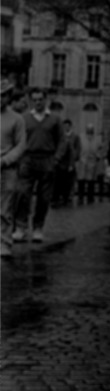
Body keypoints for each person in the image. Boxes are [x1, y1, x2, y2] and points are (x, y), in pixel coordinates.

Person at [13, 87, 65, 243]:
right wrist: (19, 159)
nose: (37, 102)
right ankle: (21, 227)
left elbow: (62, 141)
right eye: (34, 99)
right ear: (31, 101)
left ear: (46, 99)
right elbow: (18, 140)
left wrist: (56, 159)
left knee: (44, 197)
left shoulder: (55, 119)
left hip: (47, 159)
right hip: (28, 159)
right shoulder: (24, 118)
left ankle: (38, 227)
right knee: (23, 194)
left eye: (40, 99)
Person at [1, 78, 27, 257]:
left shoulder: (17, 119)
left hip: (7, 169)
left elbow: (21, 145)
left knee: (5, 208)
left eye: (3, 96)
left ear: (9, 97)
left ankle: (4, 242)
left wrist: (5, 160)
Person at [51, 119, 80, 207]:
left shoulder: (74, 137)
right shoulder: (58, 137)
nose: (65, 128)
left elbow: (74, 151)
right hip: (58, 164)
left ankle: (65, 197)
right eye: (64, 126)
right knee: (57, 182)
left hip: (66, 164)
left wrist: (72, 163)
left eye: (67, 126)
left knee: (67, 182)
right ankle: (56, 198)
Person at [75, 123, 105, 203]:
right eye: (88, 128)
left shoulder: (97, 139)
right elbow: (77, 147)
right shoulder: (81, 137)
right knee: (81, 180)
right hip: (82, 161)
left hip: (92, 162)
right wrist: (78, 156)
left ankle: (90, 197)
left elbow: (101, 149)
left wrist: (98, 156)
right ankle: (80, 197)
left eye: (91, 129)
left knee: (91, 181)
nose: (90, 130)